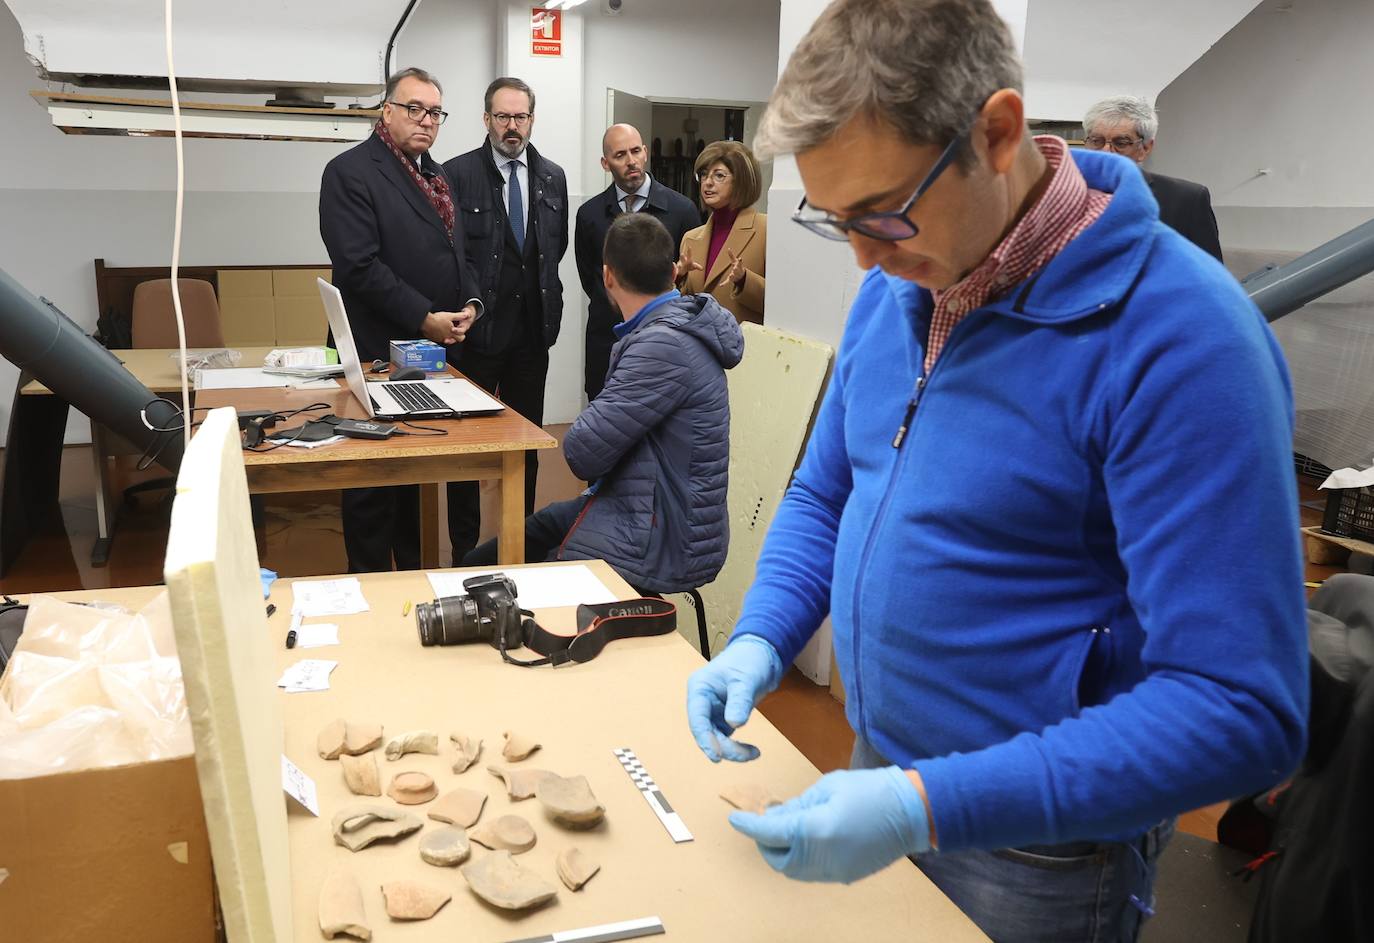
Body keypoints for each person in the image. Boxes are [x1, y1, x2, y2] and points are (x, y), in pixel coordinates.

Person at [684, 2, 1307, 941]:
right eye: (833, 218)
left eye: (883, 212)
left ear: (1000, 132)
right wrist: (762, 636)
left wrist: (929, 804)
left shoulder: (1183, 339)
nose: (862, 256)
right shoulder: (901, 286)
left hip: (1040, 853)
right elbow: (827, 490)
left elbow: (1239, 707)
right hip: (881, 771)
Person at [465, 213, 743, 594]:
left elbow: (583, 452)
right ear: (675, 270)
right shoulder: (674, 329)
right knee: (484, 560)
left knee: (515, 588)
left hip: (660, 535)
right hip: (642, 507)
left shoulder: (662, 346)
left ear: (607, 277)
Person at [319, 67, 482, 573]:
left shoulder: (436, 174)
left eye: (435, 112)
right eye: (414, 108)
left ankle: (410, 584)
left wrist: (472, 304)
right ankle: (368, 587)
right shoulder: (349, 171)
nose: (426, 120)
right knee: (371, 484)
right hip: (374, 352)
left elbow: (461, 253)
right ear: (385, 111)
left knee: (413, 478)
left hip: (428, 356)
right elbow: (358, 265)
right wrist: (424, 316)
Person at [443, 77, 569, 563]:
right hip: (475, 336)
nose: (511, 126)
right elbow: (455, 258)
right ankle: (463, 548)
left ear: (532, 120)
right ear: (486, 120)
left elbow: (552, 252)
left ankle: (520, 542)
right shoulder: (456, 174)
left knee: (525, 444)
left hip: (531, 336)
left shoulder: (552, 177)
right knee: (464, 450)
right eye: (502, 117)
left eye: (520, 117)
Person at [575, 124, 701, 401]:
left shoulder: (683, 211)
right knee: (603, 423)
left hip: (665, 342)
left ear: (645, 153)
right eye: (620, 155)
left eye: (635, 151)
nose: (631, 161)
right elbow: (591, 278)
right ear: (605, 163)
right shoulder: (589, 215)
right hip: (606, 339)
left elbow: (691, 280)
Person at [1083, 95, 1224, 261]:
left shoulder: (1185, 200)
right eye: (1096, 141)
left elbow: (1209, 275)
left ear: (1145, 148)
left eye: (1120, 143)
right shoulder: (1060, 194)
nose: (1106, 151)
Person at [675, 140, 768, 325]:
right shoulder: (691, 238)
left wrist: (744, 280)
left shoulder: (766, 229)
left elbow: (784, 302)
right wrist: (679, 276)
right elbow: (681, 307)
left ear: (741, 181)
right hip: (700, 349)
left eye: (719, 176)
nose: (707, 183)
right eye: (703, 175)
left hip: (746, 348)